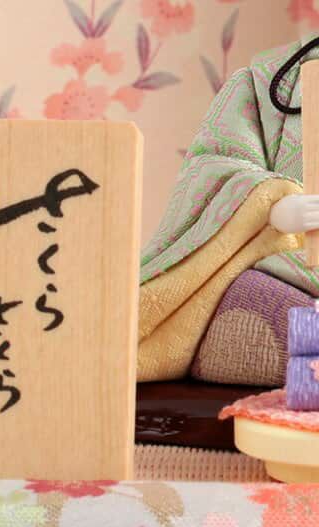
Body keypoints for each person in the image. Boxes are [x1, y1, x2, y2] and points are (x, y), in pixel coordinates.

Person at [137, 35, 319, 382]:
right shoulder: (266, 81)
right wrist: (274, 207)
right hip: (283, 271)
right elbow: (213, 165)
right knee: (252, 306)